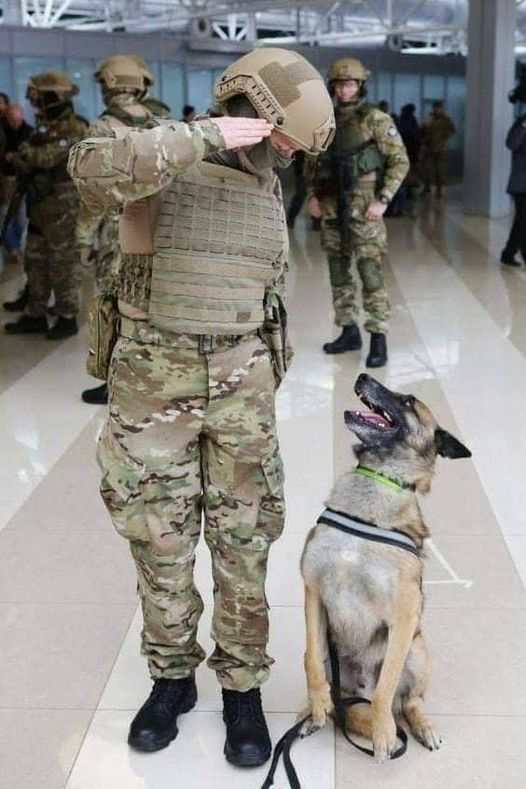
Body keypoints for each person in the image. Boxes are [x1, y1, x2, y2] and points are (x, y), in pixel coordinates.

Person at [68, 47, 334, 765]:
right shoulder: (161, 152)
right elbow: (89, 172)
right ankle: (171, 676)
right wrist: (208, 134)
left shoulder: (265, 181)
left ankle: (242, 688)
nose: (289, 154)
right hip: (155, 376)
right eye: (285, 136)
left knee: (245, 539)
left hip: (243, 379)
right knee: (160, 536)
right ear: (261, 107)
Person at [306, 57, 409, 367]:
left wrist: (384, 199)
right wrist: (312, 195)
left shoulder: (375, 119)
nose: (344, 90)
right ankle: (349, 331)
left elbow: (399, 161)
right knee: (338, 273)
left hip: (364, 204)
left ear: (360, 85)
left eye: (349, 84)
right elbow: (312, 163)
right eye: (338, 84)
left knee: (369, 272)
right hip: (332, 204)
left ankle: (379, 337)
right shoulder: (324, 120)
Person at [77, 56, 158, 405]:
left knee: (112, 304)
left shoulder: (101, 128)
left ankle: (115, 381)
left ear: (108, 85)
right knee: (145, 305)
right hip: (153, 230)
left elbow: (92, 190)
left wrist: (82, 236)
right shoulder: (159, 124)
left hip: (115, 233)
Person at [4, 72, 87, 339]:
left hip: (63, 208)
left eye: (37, 95)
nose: (33, 101)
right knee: (35, 261)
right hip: (40, 207)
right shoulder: (45, 126)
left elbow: (44, 158)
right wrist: (26, 157)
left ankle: (66, 316)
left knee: (63, 264)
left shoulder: (73, 127)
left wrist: (25, 156)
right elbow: (25, 159)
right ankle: (35, 313)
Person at [0, 104, 33, 270]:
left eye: (17, 120)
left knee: (21, 218)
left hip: (23, 181)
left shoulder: (30, 133)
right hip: (6, 179)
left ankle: (18, 248)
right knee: (5, 215)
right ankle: (13, 249)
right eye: (11, 120)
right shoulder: (2, 133)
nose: (14, 123)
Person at [500, 114, 526, 267]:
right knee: (522, 221)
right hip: (521, 185)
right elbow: (511, 144)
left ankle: (508, 253)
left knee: (521, 222)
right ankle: (510, 253)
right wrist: (523, 125)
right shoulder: (519, 127)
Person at [420, 100, 455, 196]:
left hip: (440, 149)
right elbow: (422, 130)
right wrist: (424, 126)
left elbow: (452, 131)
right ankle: (427, 188)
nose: (437, 110)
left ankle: (439, 190)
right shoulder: (429, 118)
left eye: (438, 108)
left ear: (441, 109)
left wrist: (444, 139)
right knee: (426, 169)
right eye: (435, 108)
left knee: (439, 171)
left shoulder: (446, 120)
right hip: (429, 148)